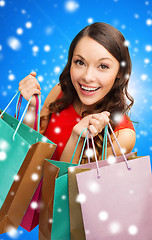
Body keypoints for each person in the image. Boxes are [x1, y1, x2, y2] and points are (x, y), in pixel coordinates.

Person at [19, 22, 136, 164]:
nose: (87, 77)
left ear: (119, 72)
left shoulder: (122, 135)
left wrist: (77, 139)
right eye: (80, 62)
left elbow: (70, 185)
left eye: (103, 66)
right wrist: (32, 107)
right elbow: (25, 150)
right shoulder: (60, 92)